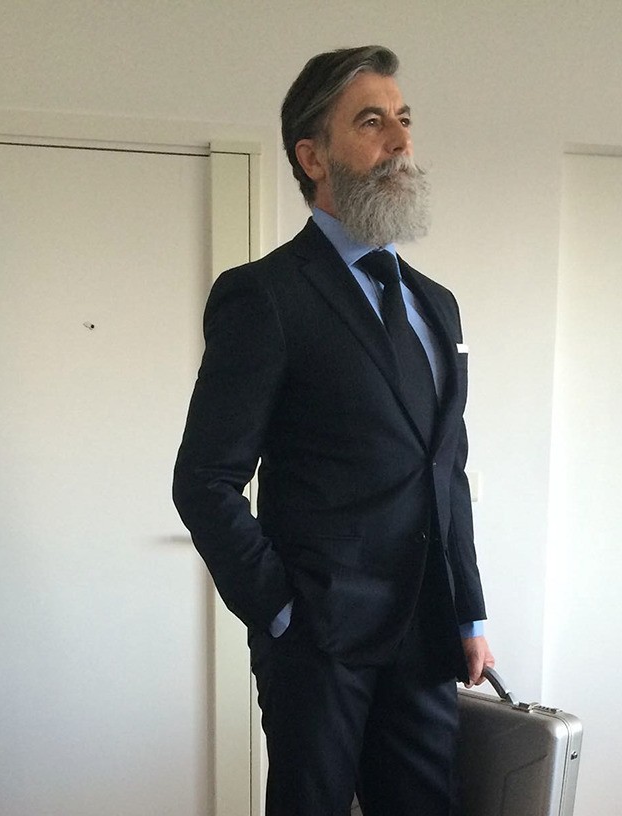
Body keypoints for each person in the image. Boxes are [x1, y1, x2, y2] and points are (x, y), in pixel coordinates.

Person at [173, 45, 495, 816]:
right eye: (372, 122)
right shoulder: (266, 296)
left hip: (426, 634)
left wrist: (469, 612)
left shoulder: (436, 305)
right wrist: (281, 612)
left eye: (404, 120)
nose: (401, 141)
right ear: (312, 156)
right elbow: (204, 481)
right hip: (318, 639)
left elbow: (445, 470)